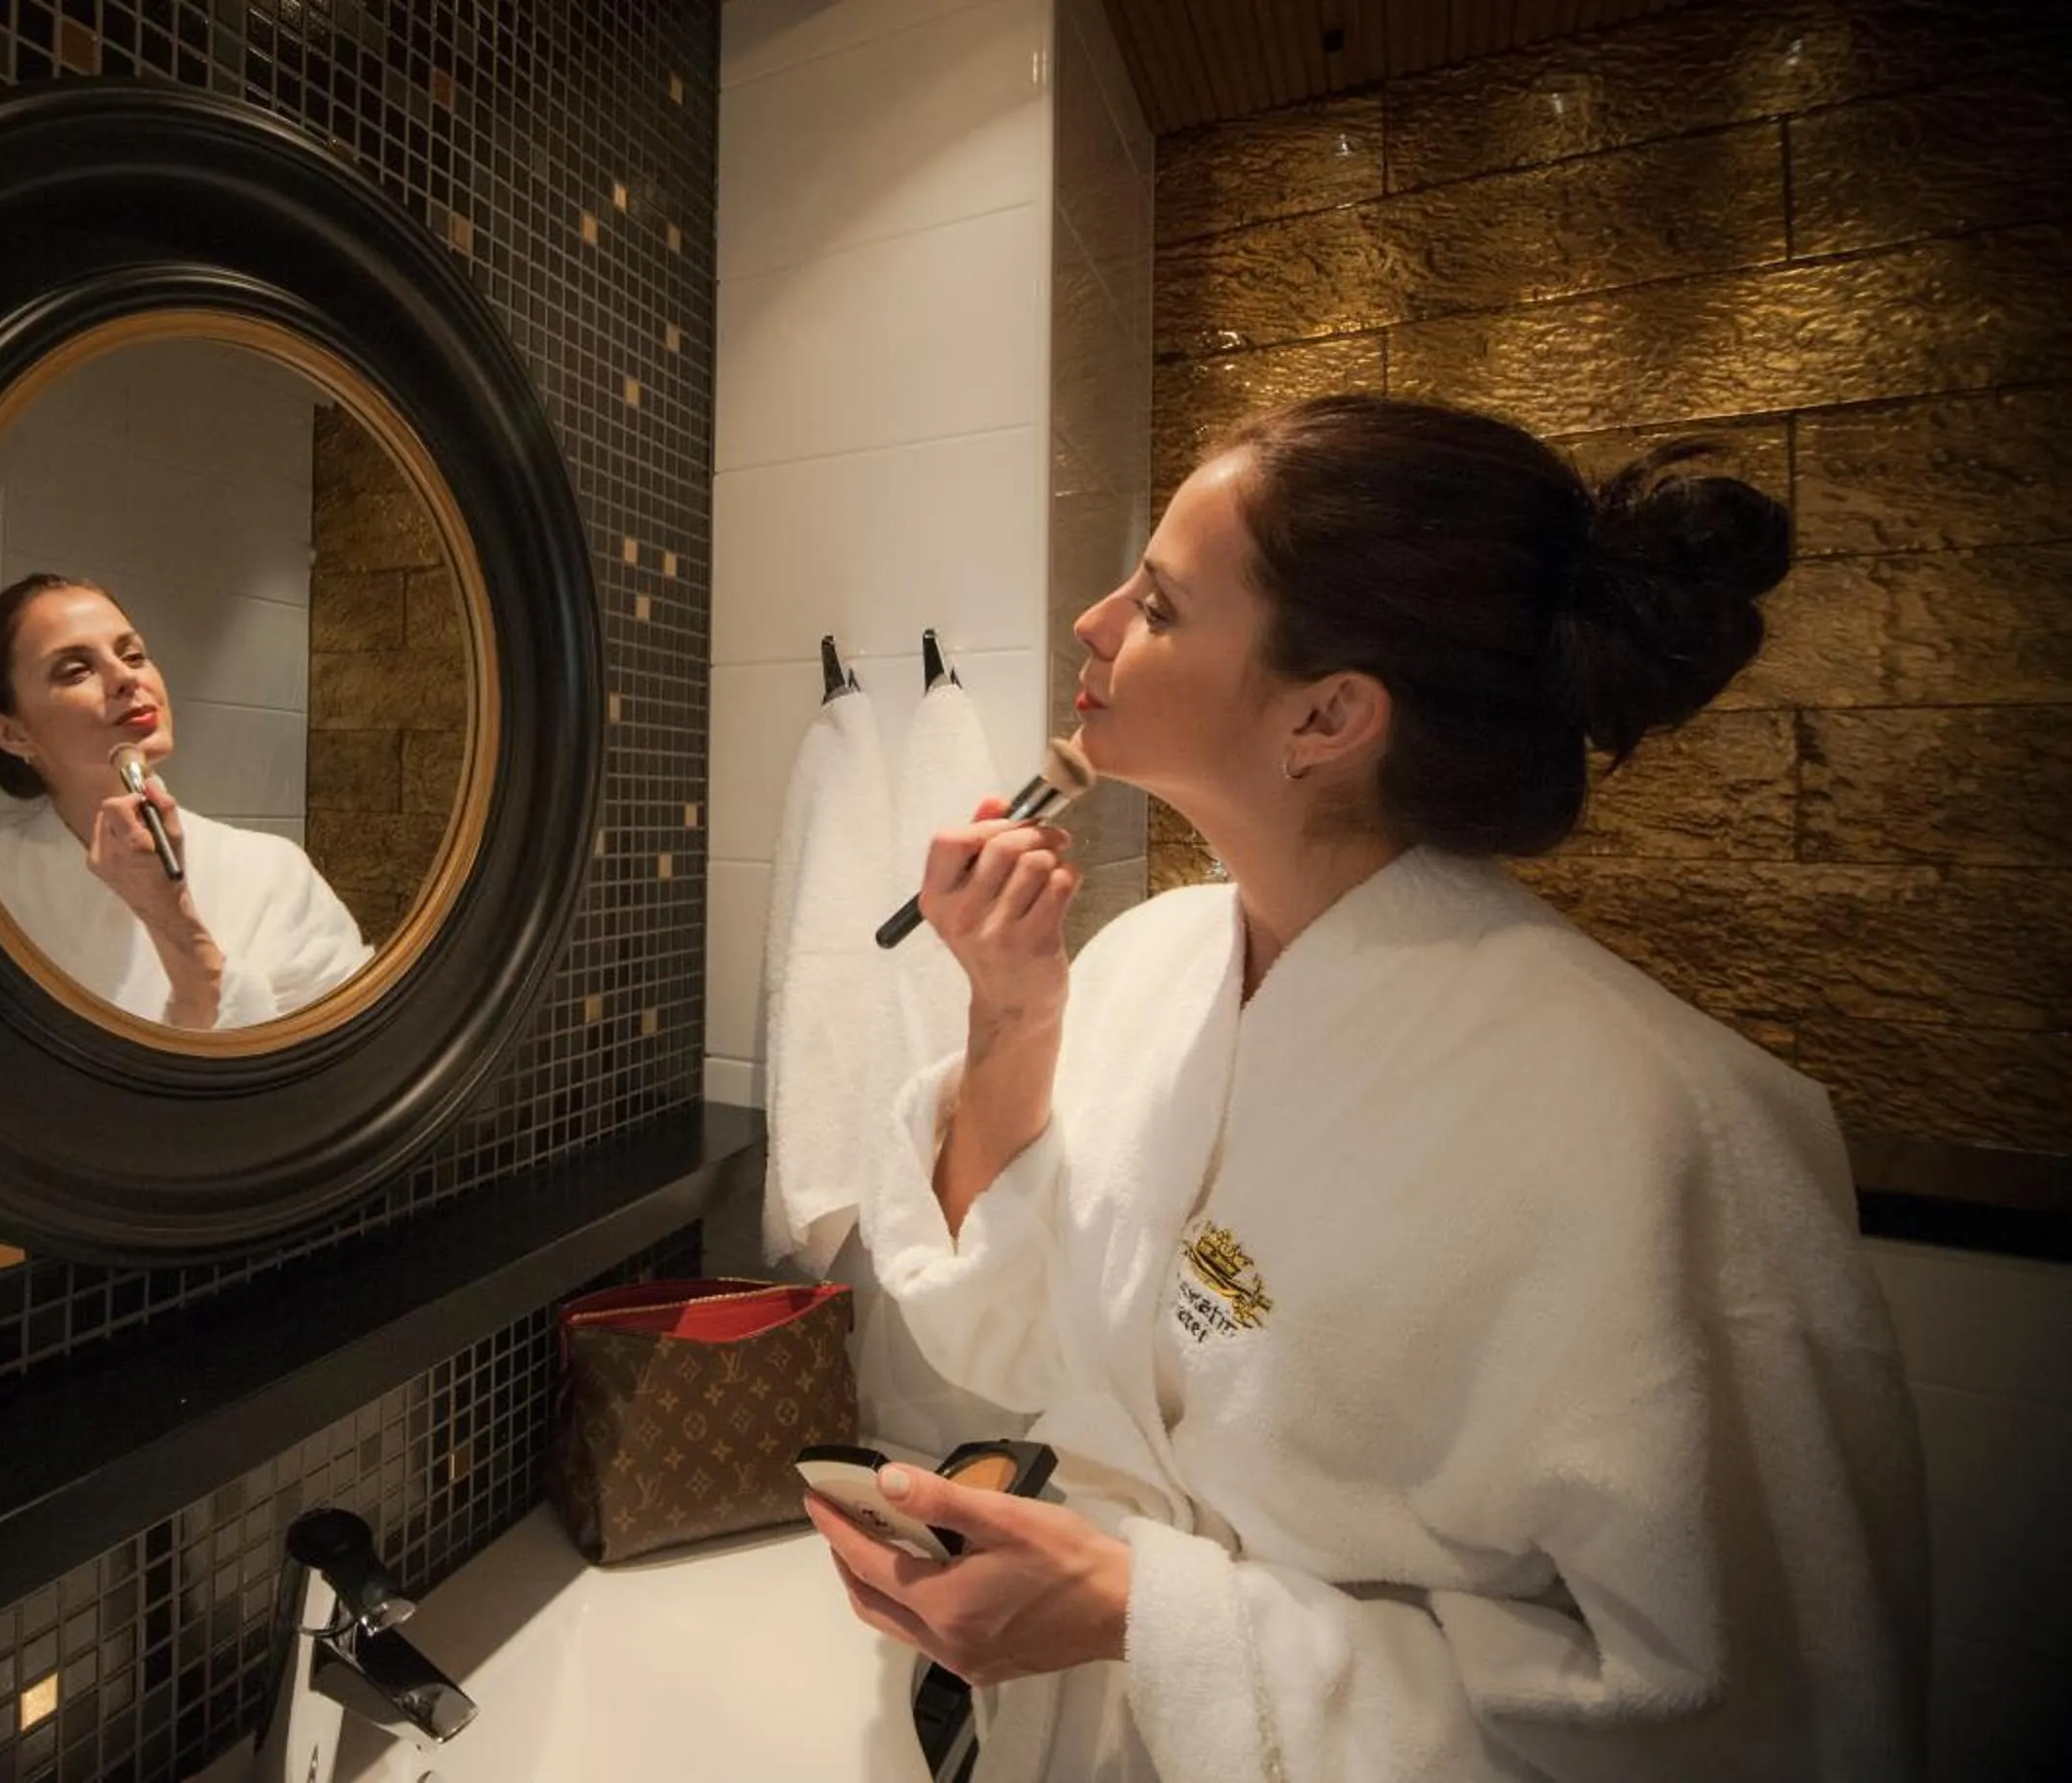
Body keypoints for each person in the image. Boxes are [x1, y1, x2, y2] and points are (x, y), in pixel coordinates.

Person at [806, 396, 1926, 1780]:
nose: (1093, 622)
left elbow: (1755, 1720)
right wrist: (1013, 1012)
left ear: (1329, 714)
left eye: (1156, 603)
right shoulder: (1155, 962)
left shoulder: (1668, 1130)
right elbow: (1008, 1335)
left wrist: (1135, 1611)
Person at [0, 573, 373, 1029]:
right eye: (75, 670)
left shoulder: (274, 873)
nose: (124, 677)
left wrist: (175, 923)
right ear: (10, 732)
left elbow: (343, 1061)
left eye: (133, 655)